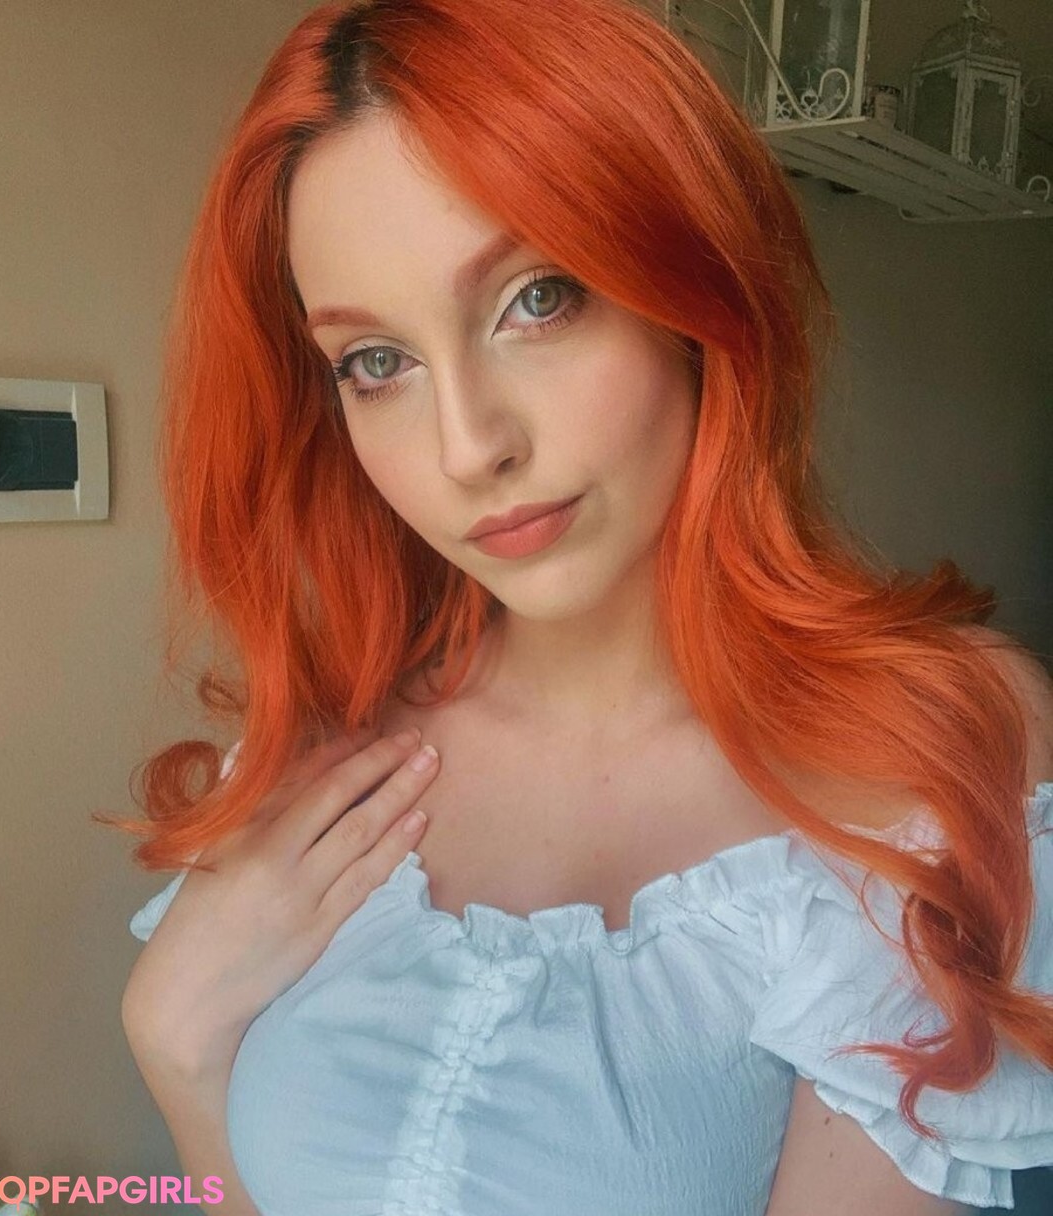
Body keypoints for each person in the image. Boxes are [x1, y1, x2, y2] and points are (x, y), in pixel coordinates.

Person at [102, 0, 1053, 1213]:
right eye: (376, 361)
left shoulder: (927, 761)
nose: (468, 447)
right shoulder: (318, 756)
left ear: (697, 285)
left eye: (539, 297)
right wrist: (177, 1051)